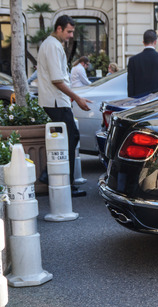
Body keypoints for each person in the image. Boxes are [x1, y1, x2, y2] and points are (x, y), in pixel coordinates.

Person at [37, 15, 92, 197]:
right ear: (59, 28)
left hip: (56, 100)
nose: (70, 35)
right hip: (55, 100)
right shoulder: (53, 45)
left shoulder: (51, 44)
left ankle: (59, 180)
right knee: (71, 138)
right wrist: (76, 98)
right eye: (69, 31)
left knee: (67, 139)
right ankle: (61, 183)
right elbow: (57, 80)